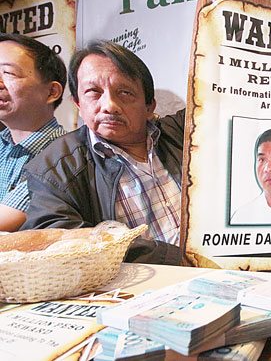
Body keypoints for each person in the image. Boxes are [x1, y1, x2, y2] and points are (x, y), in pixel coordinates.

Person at [22, 40, 184, 264]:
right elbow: (60, 238)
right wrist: (183, 259)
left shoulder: (182, 133)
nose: (109, 105)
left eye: (125, 92)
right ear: (78, 104)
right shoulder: (55, 168)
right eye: (93, 92)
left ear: (149, 106)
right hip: (146, 286)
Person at [0, 34, 66, 232]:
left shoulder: (62, 155)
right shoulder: (3, 144)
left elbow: (5, 221)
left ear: (51, 92)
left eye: (8, 73)